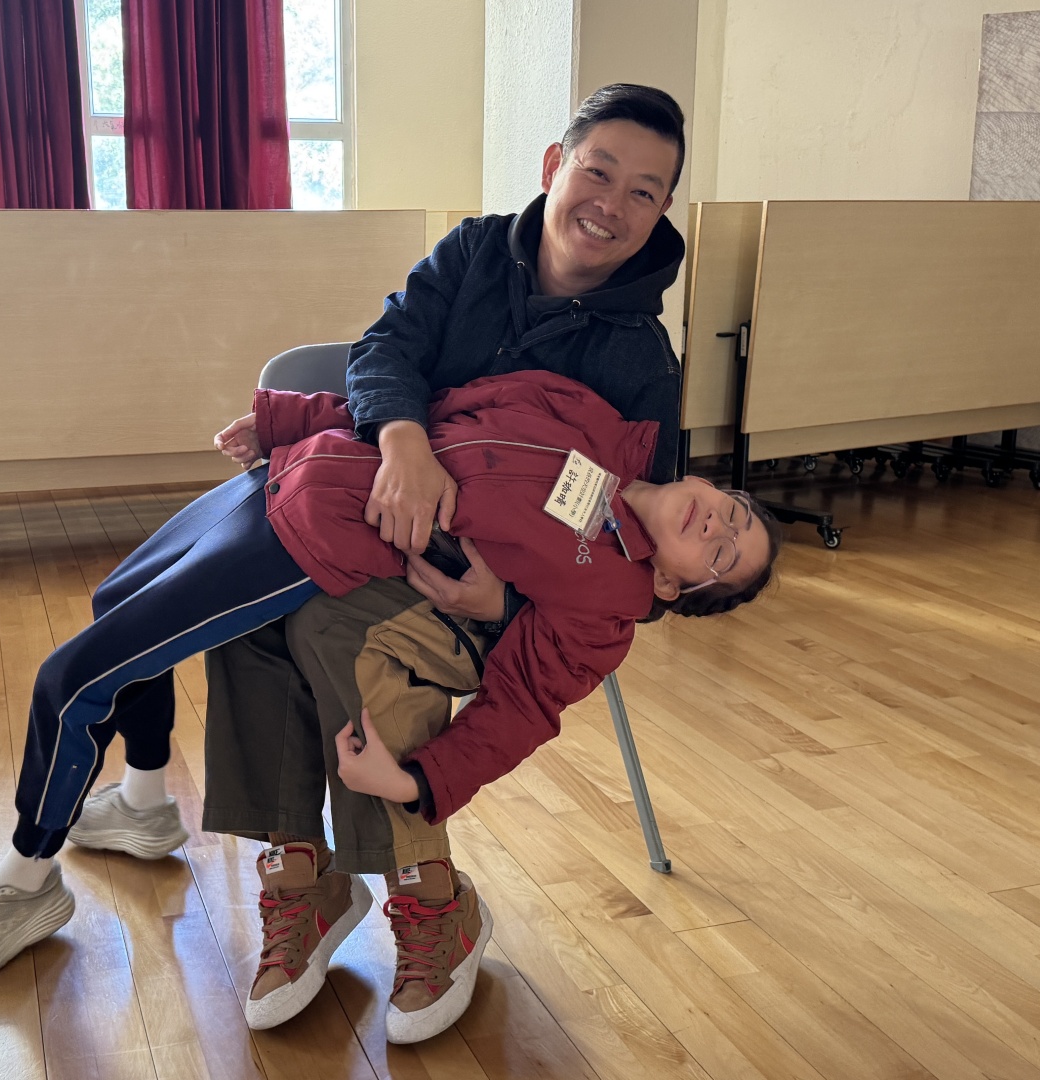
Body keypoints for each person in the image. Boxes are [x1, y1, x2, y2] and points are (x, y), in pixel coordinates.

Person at [0, 369, 779, 1005]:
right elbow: (439, 405)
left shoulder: (606, 603)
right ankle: (142, 802)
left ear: (675, 586)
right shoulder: (597, 423)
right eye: (735, 513)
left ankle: (24, 877)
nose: (719, 526)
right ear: (714, 482)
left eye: (722, 555)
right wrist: (287, 418)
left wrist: (422, 779)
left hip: (309, 545)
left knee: (75, 676)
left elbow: (523, 707)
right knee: (114, 605)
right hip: (292, 471)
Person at [69, 78, 693, 888]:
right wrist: (402, 440)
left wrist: (505, 603)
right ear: (554, 165)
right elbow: (385, 348)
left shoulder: (644, 367)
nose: (610, 204)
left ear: (663, 210)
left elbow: (642, 565)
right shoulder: (475, 251)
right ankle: (296, 870)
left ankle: (419, 887)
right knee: (228, 602)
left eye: (642, 192)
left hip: (481, 594)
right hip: (364, 510)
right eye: (598, 171)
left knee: (328, 624)